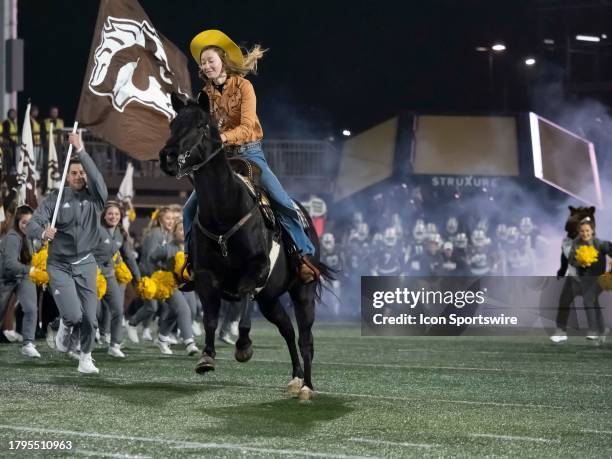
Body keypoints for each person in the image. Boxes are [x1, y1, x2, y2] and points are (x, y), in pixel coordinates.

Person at [183, 29, 319, 284]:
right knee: (189, 209)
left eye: (211, 60)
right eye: (203, 62)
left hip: (250, 154)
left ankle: (304, 256)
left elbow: (246, 127)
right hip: (220, 159)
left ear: (223, 60)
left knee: (281, 200)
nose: (206, 65)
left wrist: (221, 137)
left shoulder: (245, 87)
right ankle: (191, 262)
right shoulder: (205, 94)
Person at [27, 132, 108, 374]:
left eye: (82, 172)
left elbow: (97, 178)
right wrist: (43, 233)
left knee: (91, 318)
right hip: (59, 264)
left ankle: (86, 357)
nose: (79, 176)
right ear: (67, 176)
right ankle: (63, 325)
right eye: (73, 173)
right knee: (73, 315)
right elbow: (33, 223)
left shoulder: (97, 199)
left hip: (85, 262)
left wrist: (81, 150)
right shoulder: (56, 197)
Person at [93, 201, 141, 358]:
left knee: (118, 309)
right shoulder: (96, 230)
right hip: (91, 274)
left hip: (109, 274)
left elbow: (128, 256)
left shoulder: (120, 233)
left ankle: (114, 344)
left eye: (116, 214)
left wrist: (137, 277)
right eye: (110, 214)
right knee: (90, 311)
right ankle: (68, 332)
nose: (113, 217)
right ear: (104, 216)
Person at [149, 219, 200, 355]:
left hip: (187, 285)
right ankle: (189, 342)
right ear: (174, 232)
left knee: (190, 311)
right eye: (180, 229)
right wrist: (161, 272)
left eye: (186, 229)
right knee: (183, 310)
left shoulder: (194, 247)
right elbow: (151, 258)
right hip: (170, 286)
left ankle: (161, 338)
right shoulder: (167, 248)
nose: (183, 232)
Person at [0, 205, 41, 358]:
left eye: (30, 223)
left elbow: (33, 258)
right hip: (5, 277)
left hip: (23, 277)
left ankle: (28, 343)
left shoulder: (31, 236)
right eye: (24, 222)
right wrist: (29, 270)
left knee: (31, 309)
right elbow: (10, 265)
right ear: (17, 222)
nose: (27, 226)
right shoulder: (12, 238)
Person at [568, 217, 612, 345]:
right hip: (584, 279)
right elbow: (571, 260)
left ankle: (593, 330)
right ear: (579, 231)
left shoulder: (601, 244)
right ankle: (603, 330)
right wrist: (580, 262)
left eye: (587, 230)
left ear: (592, 231)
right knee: (594, 303)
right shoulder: (576, 244)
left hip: (599, 279)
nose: (585, 233)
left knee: (588, 300)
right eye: (582, 231)